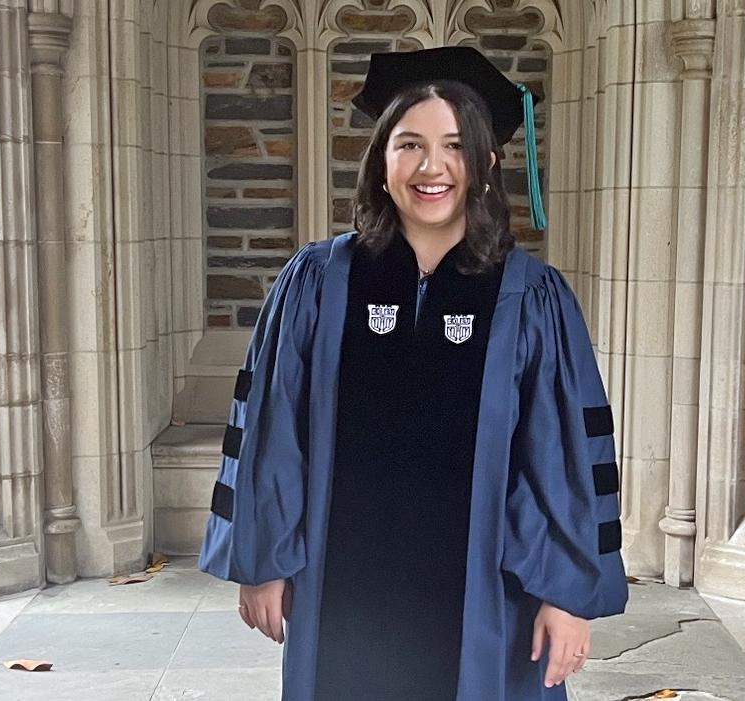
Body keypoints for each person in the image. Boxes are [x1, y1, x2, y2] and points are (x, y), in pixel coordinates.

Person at [198, 45, 628, 701]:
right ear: (381, 160)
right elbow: (270, 425)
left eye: (455, 146)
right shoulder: (318, 281)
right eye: (409, 145)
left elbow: (565, 454)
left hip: (491, 604)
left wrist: (568, 594)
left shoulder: (532, 297)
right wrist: (262, 562)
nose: (432, 167)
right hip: (346, 596)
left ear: (486, 163)